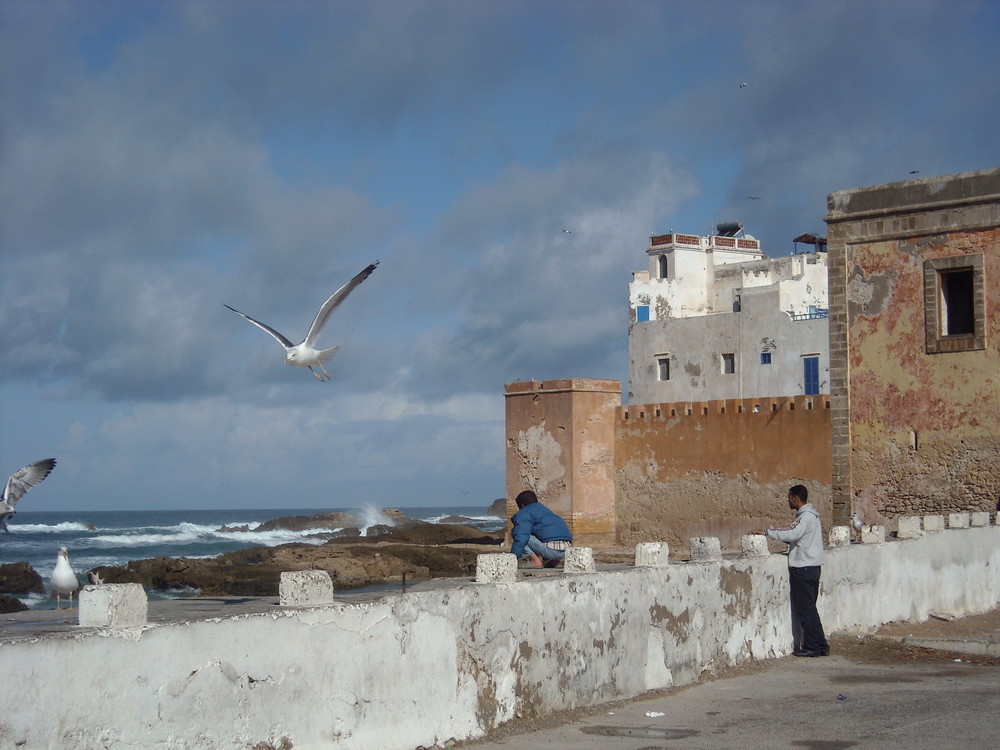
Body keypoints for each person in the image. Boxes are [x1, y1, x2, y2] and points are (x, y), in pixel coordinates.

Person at [750, 484, 830, 657]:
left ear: (795, 497)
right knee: (810, 608)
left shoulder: (805, 517)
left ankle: (812, 647)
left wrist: (766, 532)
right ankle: (821, 645)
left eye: (789, 497)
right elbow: (798, 538)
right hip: (812, 566)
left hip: (803, 568)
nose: (788, 501)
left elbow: (792, 533)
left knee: (805, 610)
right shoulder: (812, 517)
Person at [509, 490, 573, 568]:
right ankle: (555, 562)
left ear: (522, 506)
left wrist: (513, 557)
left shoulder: (524, 512)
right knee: (544, 533)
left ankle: (535, 561)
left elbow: (521, 536)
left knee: (518, 533)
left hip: (551, 551)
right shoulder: (545, 511)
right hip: (566, 550)